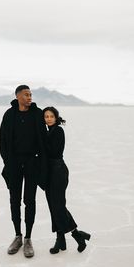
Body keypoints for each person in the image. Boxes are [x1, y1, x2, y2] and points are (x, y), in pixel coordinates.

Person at [0, 85, 47, 258]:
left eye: (31, 94)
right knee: (14, 200)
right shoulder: (9, 115)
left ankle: (28, 238)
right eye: (26, 95)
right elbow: (2, 139)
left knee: (30, 201)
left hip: (32, 162)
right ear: (18, 96)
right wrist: (8, 160)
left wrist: (42, 162)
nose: (30, 97)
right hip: (14, 163)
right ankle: (17, 236)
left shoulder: (37, 113)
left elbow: (43, 139)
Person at [43, 106, 91, 254]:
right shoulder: (48, 131)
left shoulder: (58, 131)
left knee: (58, 206)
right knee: (53, 206)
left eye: (51, 116)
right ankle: (61, 239)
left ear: (56, 117)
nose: (49, 119)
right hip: (49, 173)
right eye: (46, 116)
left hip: (58, 171)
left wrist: (39, 146)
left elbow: (54, 152)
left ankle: (77, 235)